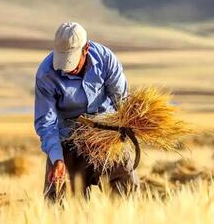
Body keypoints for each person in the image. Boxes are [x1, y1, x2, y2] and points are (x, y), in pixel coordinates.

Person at [34, 22, 139, 201]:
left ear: (86, 49)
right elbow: (47, 123)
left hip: (106, 135)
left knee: (126, 187)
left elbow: (122, 101)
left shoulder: (106, 59)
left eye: (72, 60)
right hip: (68, 137)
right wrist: (57, 159)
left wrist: (126, 128)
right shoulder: (46, 74)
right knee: (59, 195)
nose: (68, 67)